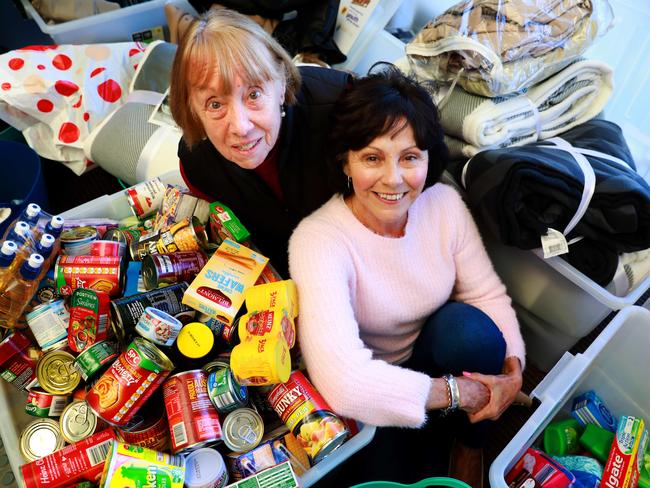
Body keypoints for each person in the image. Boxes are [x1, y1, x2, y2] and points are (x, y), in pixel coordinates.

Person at [287, 66, 526, 487]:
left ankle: (471, 444)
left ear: (429, 158)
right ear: (346, 160)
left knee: (472, 332)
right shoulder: (318, 239)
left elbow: (487, 294)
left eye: (410, 157)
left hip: (431, 355)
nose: (393, 179)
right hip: (372, 389)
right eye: (372, 158)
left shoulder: (444, 203)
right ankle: (449, 425)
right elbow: (346, 383)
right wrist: (461, 393)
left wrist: (513, 374)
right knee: (391, 477)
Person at [168, 7, 351, 276]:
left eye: (253, 94)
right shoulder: (198, 166)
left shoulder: (345, 107)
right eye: (215, 103)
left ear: (281, 82)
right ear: (191, 107)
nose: (241, 127)